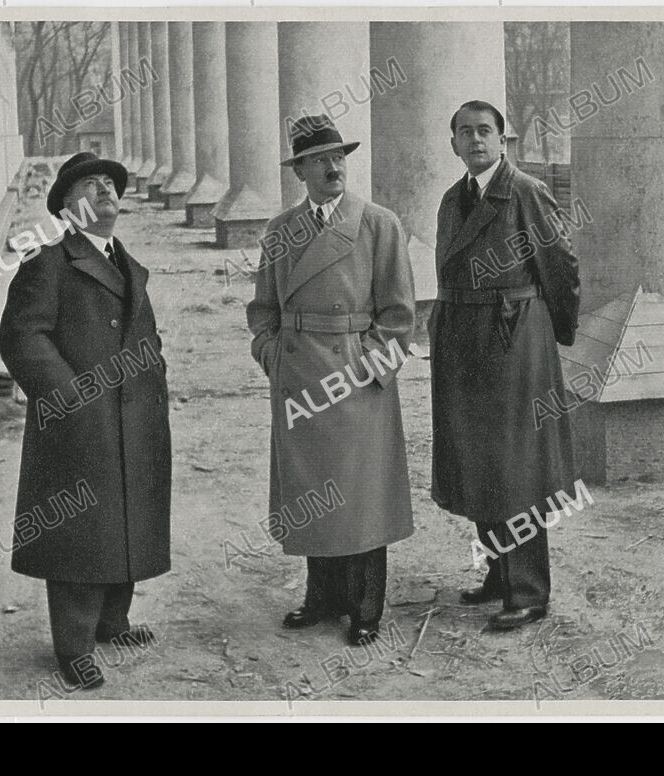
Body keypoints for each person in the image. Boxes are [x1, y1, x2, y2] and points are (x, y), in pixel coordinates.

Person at [0, 152, 171, 687]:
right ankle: (73, 646)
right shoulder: (47, 262)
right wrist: (71, 399)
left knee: (126, 520)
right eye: (91, 185)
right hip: (80, 422)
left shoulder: (123, 258)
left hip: (135, 417)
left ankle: (112, 620)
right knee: (80, 531)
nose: (106, 192)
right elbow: (21, 337)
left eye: (110, 185)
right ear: (67, 207)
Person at [246, 115, 416, 646]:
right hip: (298, 374)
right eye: (319, 158)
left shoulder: (377, 223)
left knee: (360, 495)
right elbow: (263, 308)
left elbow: (398, 314)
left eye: (339, 156)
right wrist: (271, 352)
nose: (332, 166)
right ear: (300, 170)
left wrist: (368, 364)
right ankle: (321, 597)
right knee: (311, 490)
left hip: (355, 379)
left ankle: (365, 606)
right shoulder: (279, 230)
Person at [430, 100, 580, 631]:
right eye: (465, 132)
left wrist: (550, 333)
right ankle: (496, 572)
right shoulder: (453, 199)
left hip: (514, 338)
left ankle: (528, 590)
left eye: (485, 131)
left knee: (517, 467)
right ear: (453, 143)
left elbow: (559, 264)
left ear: (503, 140)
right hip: (463, 341)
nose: (475, 141)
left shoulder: (525, 191)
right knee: (479, 460)